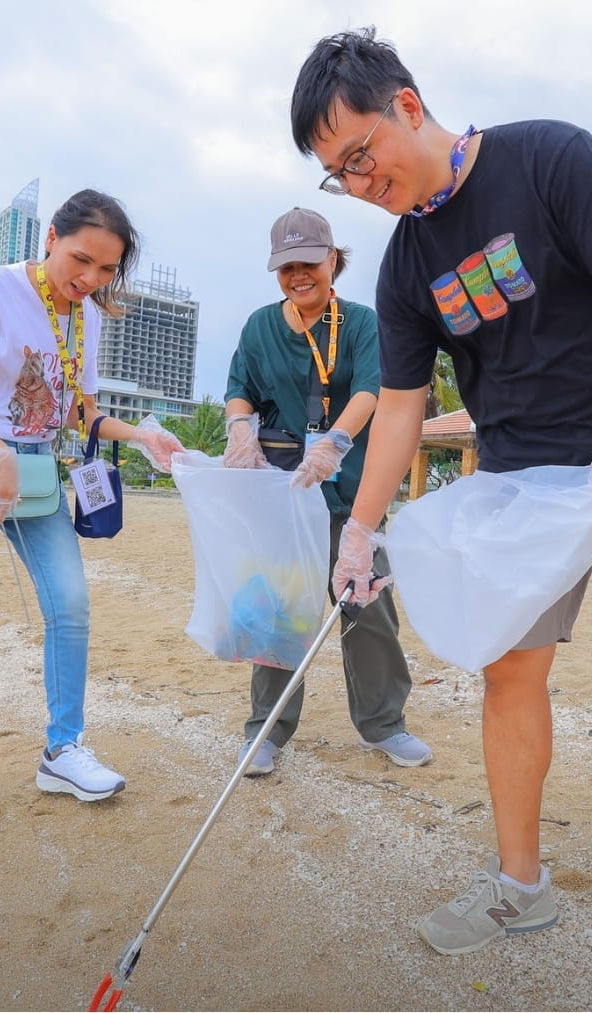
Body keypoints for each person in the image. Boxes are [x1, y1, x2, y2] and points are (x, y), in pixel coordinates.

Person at [290, 29, 592, 985]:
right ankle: (519, 882)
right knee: (510, 672)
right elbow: (404, 410)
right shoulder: (405, 262)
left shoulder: (550, 157)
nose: (358, 180)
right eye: (338, 175)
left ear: (407, 106)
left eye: (358, 155)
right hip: (519, 481)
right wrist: (363, 526)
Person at [0, 189, 187, 833]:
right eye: (81, 260)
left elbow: (78, 414)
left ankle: (63, 750)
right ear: (51, 239)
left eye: (105, 271)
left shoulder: (84, 315)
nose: (89, 279)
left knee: (71, 605)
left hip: (34, 469)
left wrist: (144, 435)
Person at [221, 207, 431, 776]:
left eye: (309, 262)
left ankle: (383, 723)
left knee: (367, 607)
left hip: (355, 492)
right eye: (286, 267)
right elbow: (238, 389)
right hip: (285, 495)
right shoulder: (260, 326)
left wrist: (337, 439)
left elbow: (373, 388)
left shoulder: (362, 322)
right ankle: (266, 730)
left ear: (333, 260)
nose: (298, 276)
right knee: (279, 611)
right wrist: (240, 427)